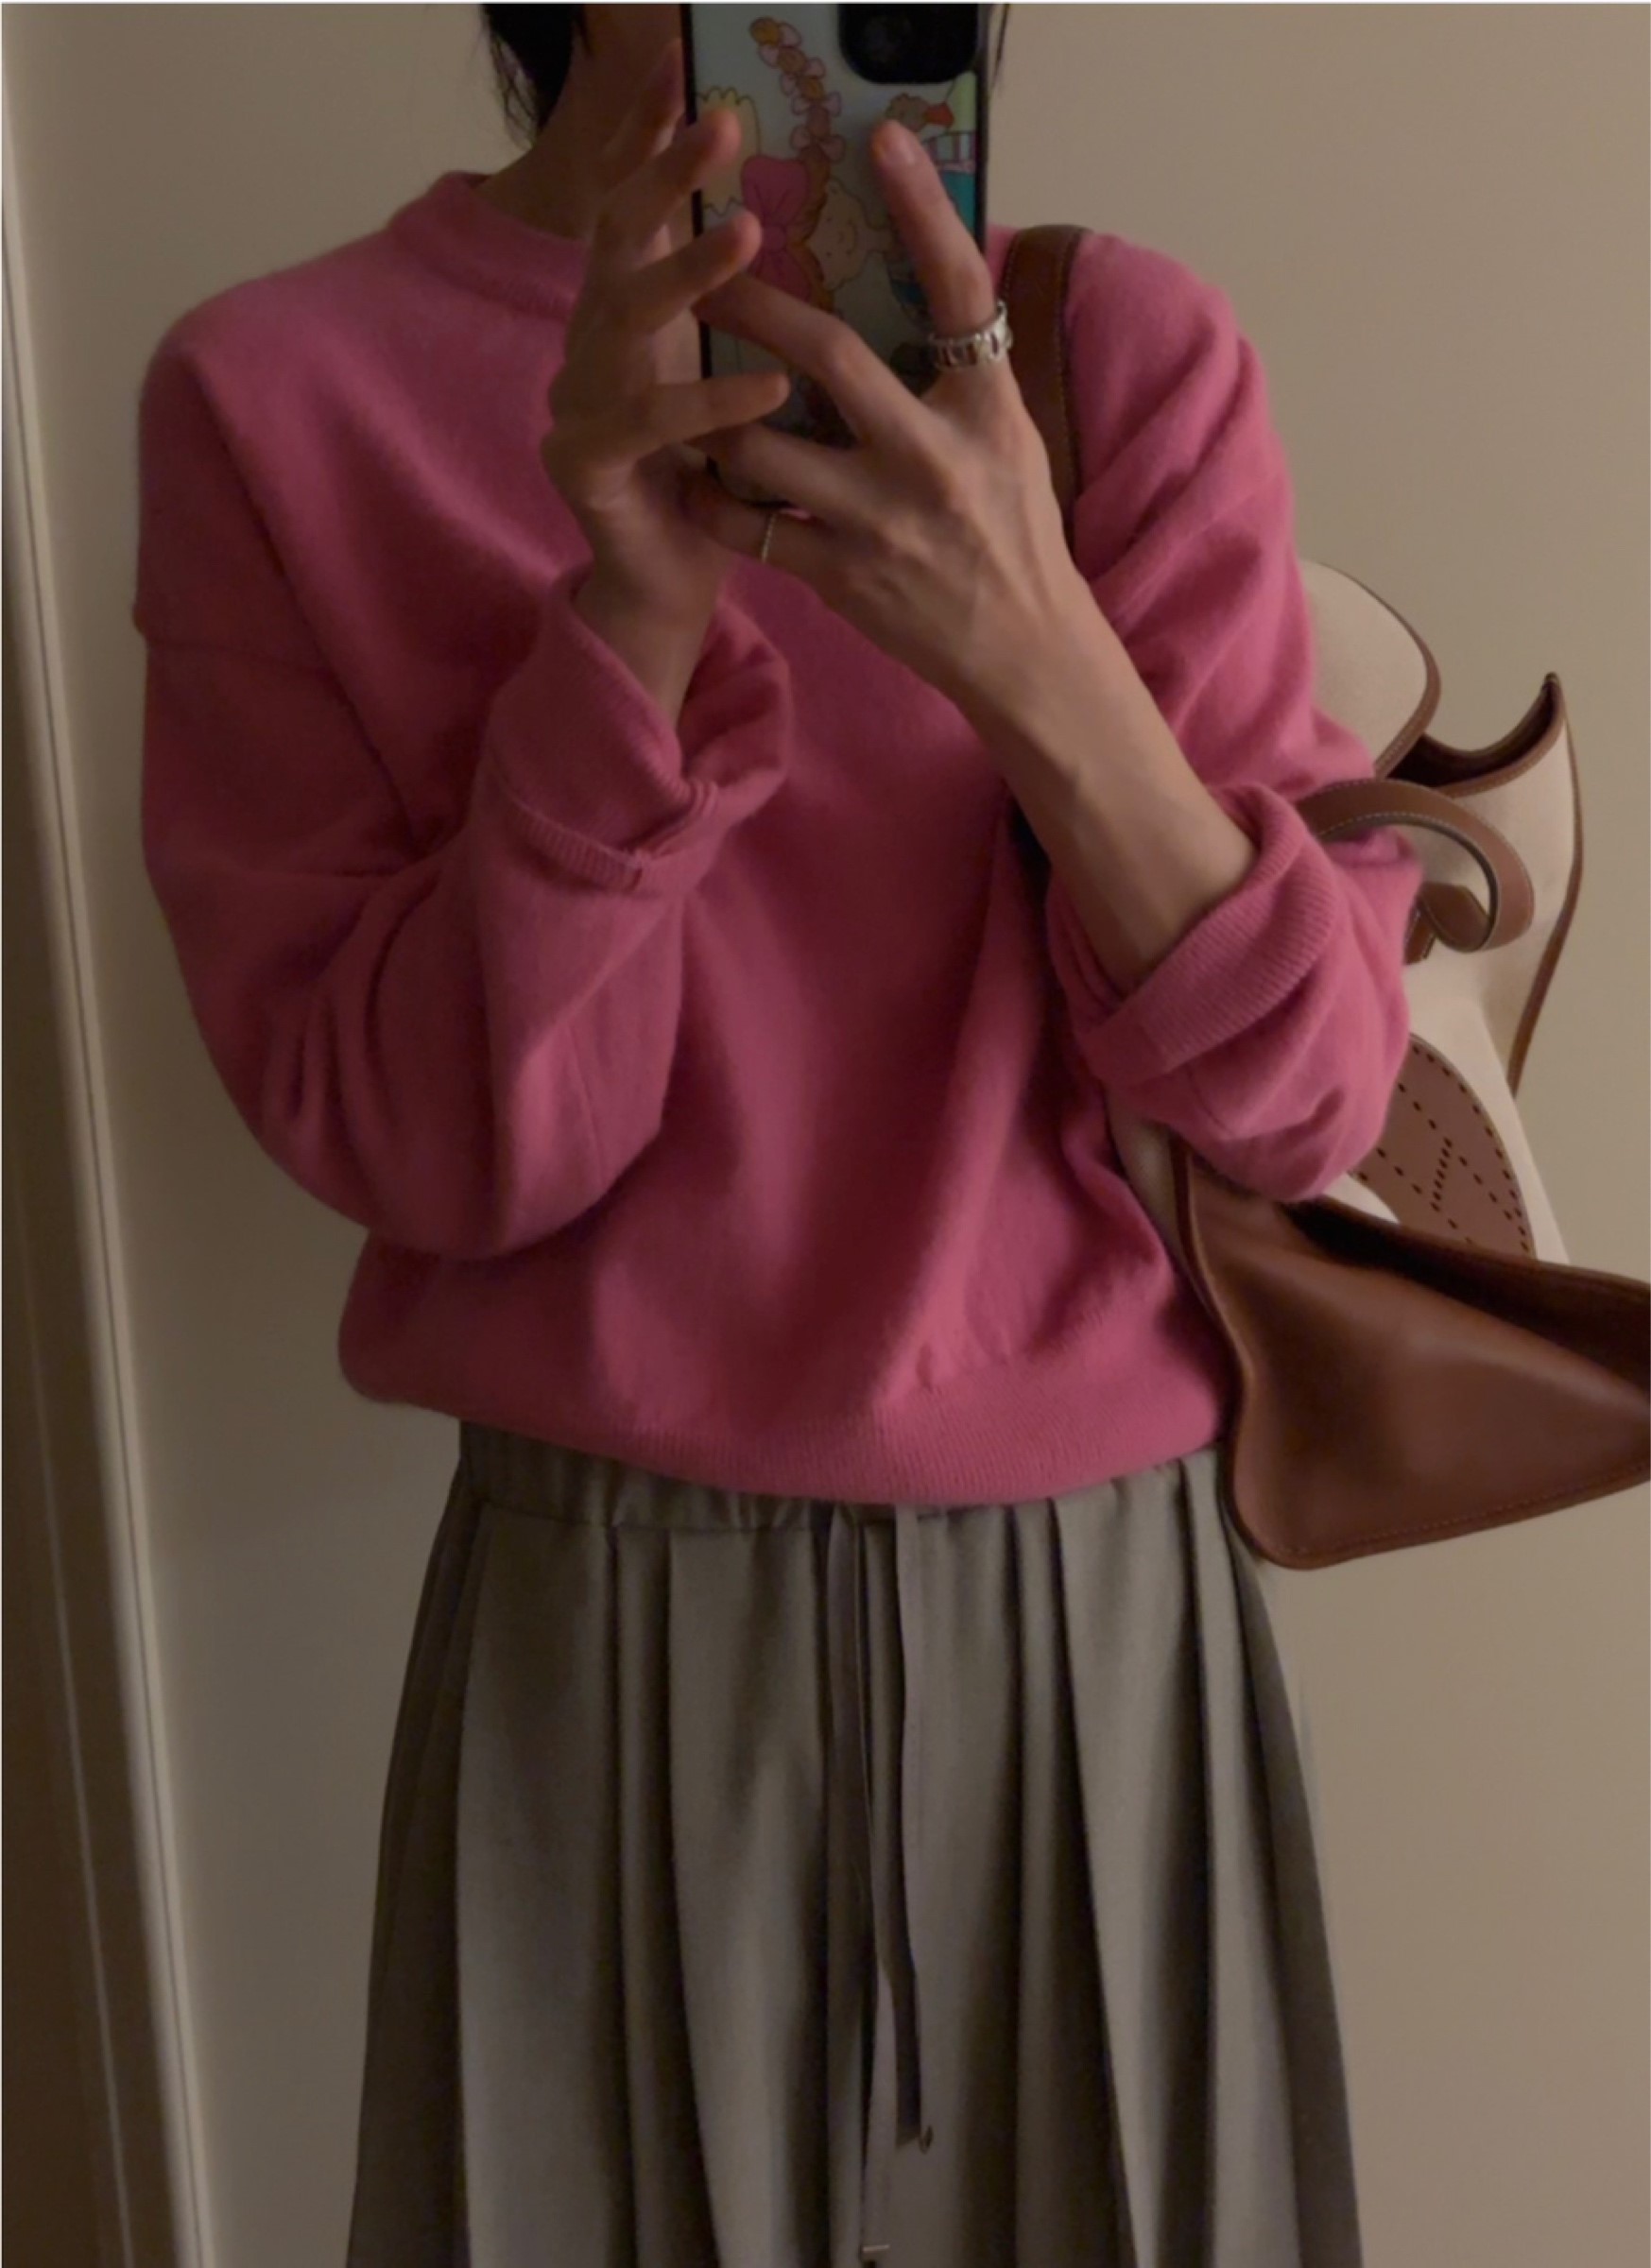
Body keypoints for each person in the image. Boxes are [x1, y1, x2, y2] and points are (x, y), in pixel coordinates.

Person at [131, 6, 1425, 2263]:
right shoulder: (277, 399)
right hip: (597, 1634)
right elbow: (444, 1154)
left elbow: (1312, 1097)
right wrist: (629, 622)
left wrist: (1028, 644)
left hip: (1096, 1635)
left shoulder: (1108, 362)